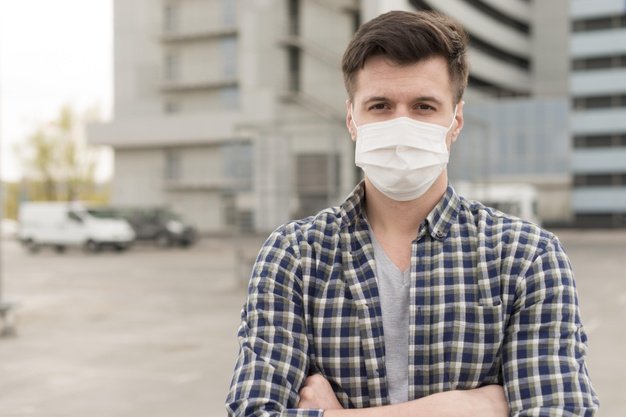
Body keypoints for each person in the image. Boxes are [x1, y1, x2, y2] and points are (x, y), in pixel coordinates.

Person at [226, 10, 599, 417]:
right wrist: (464, 407)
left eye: (423, 106)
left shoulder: (527, 257)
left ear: (455, 120)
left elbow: (561, 411)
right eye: (380, 105)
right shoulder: (294, 255)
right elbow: (252, 410)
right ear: (352, 118)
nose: (401, 125)